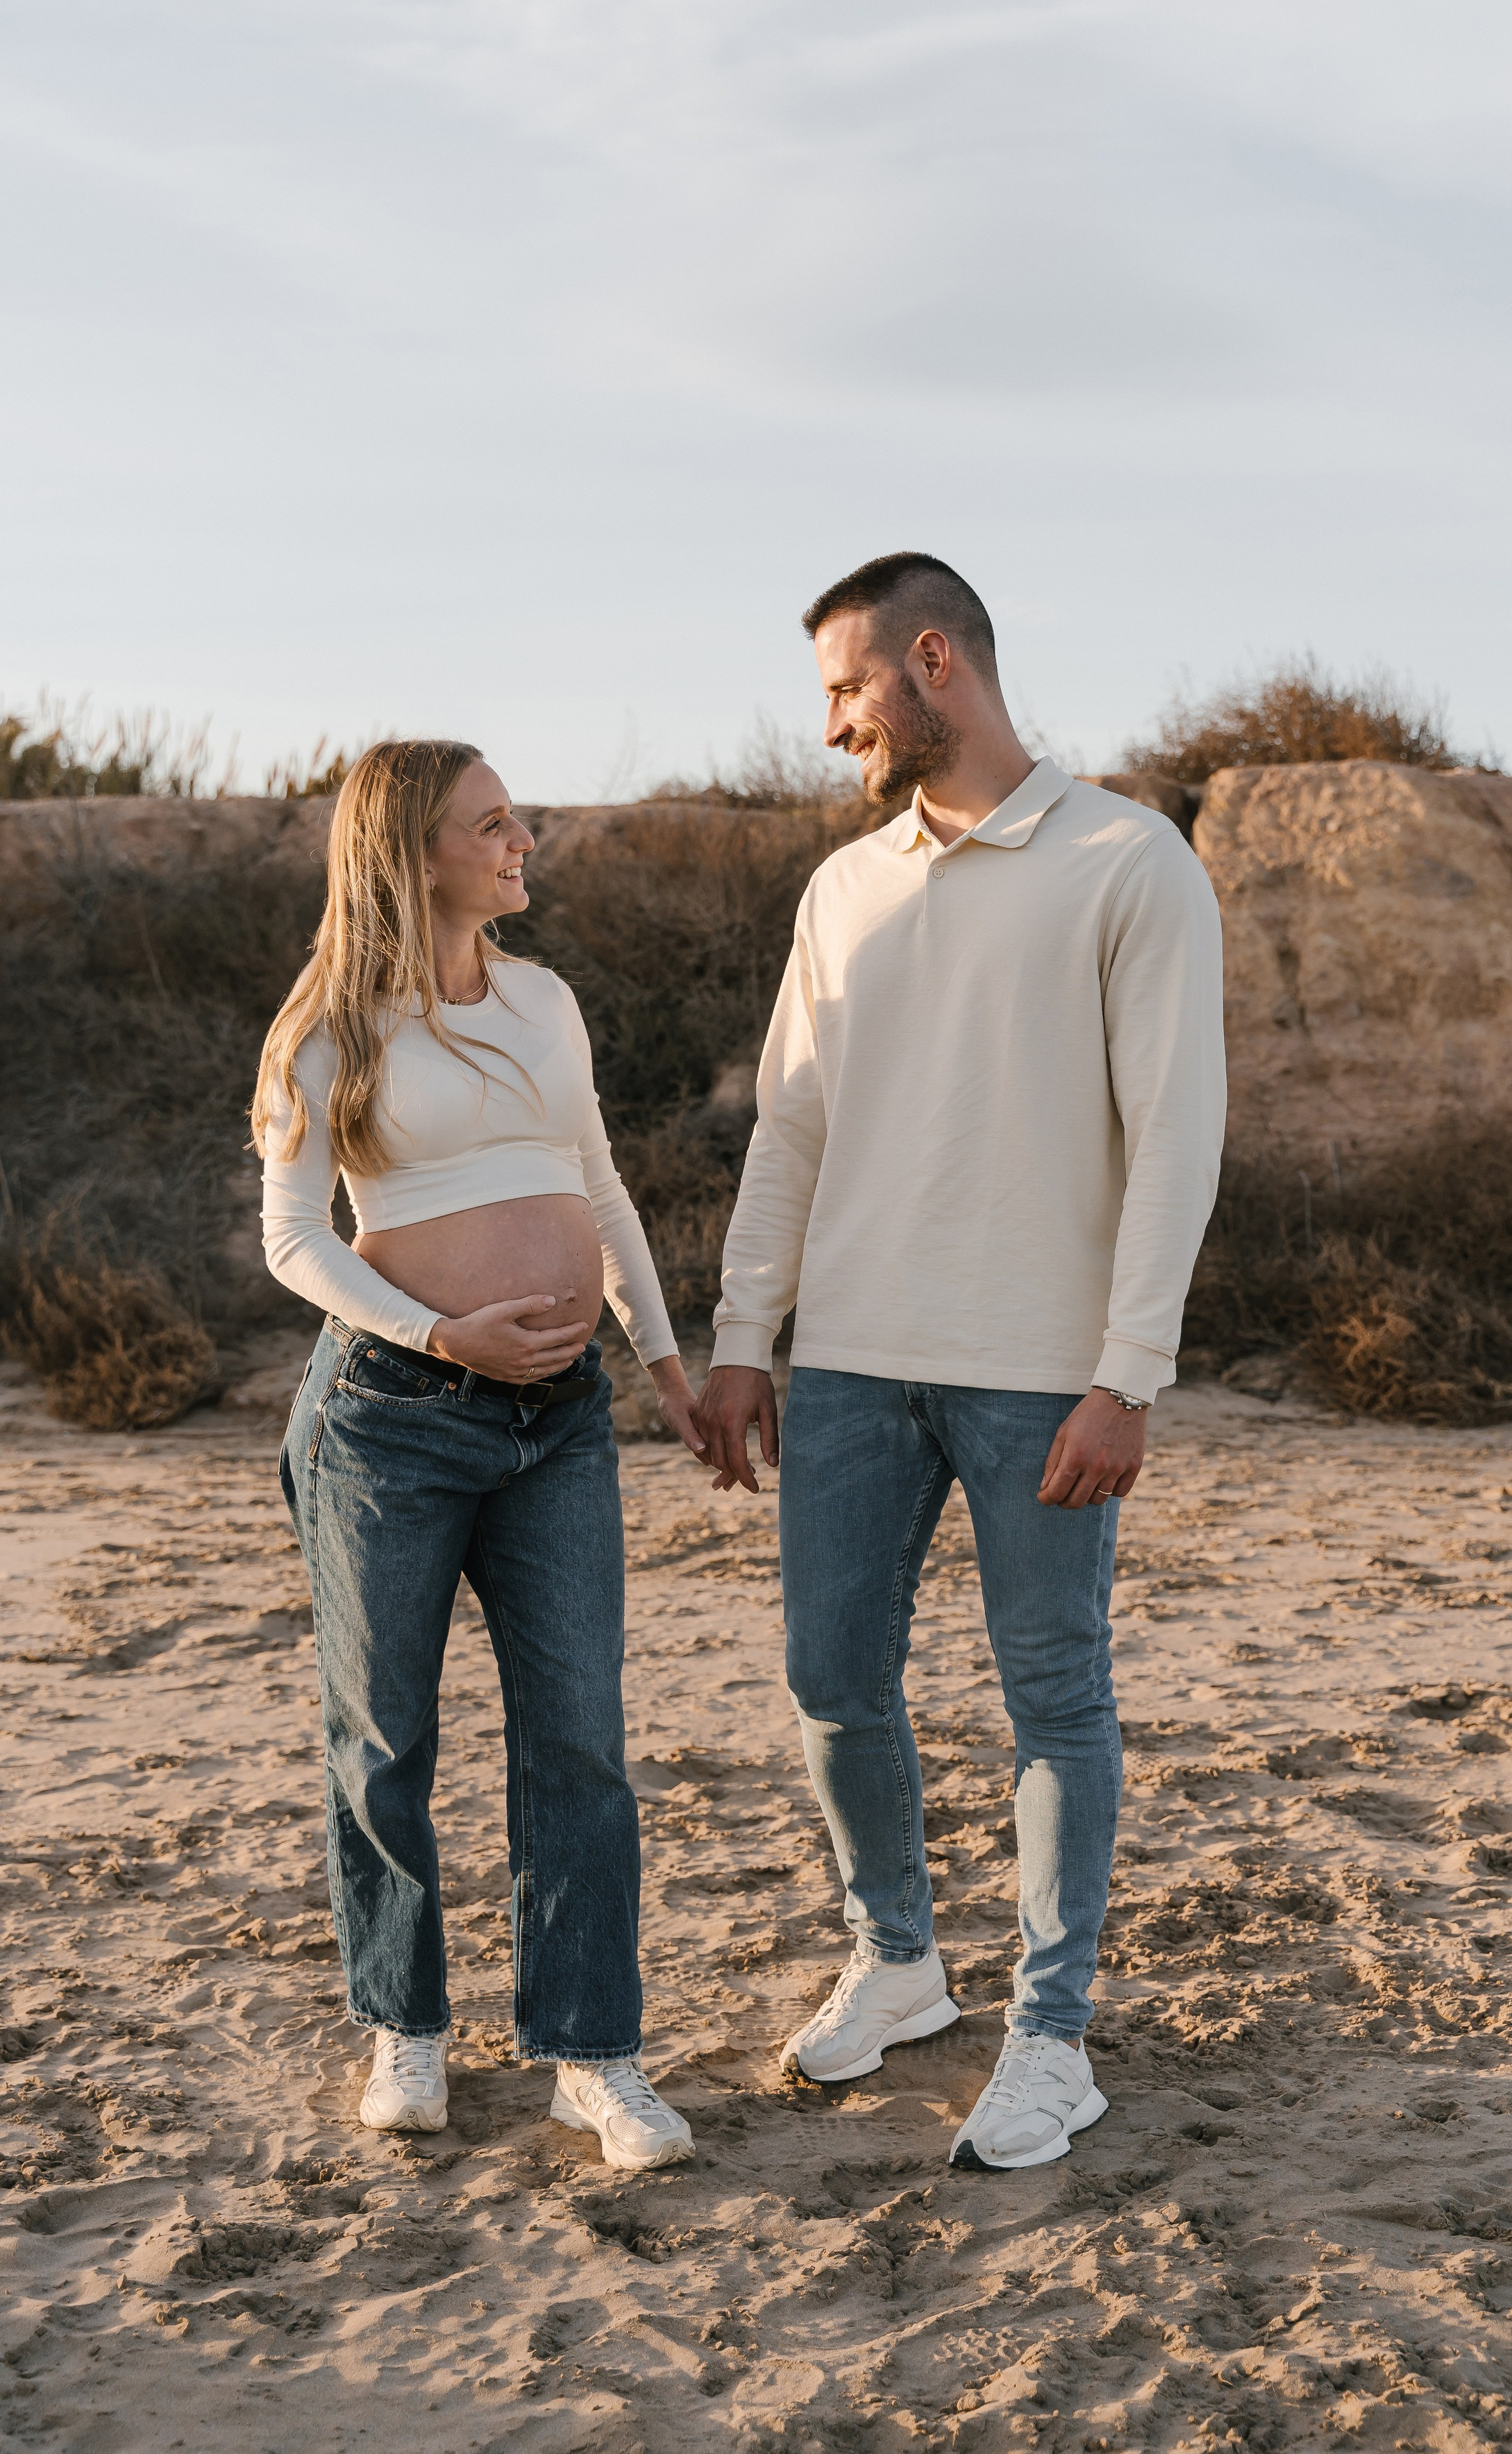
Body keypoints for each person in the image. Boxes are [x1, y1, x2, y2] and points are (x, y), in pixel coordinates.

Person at [697, 553, 1225, 2172]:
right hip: (851, 1363)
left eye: (848, 690)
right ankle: (902, 1961)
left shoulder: (1128, 863)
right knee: (827, 1677)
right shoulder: (842, 889)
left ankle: (1050, 2040)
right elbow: (787, 1128)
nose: (834, 726)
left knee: (1051, 1693)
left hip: (1036, 1374)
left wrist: (1126, 1373)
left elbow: (1174, 1136)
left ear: (935, 662)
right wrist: (741, 1336)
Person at [252, 738, 700, 2169]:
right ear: (412, 852)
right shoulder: (328, 1028)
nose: (523, 839)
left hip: (560, 1423)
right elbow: (294, 1239)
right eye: (490, 823)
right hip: (389, 1421)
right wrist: (445, 1339)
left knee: (578, 1740)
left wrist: (665, 1361)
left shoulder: (548, 1001)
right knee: (385, 1739)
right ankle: (406, 2025)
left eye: (516, 819)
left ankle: (591, 2052)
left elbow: (601, 1186)